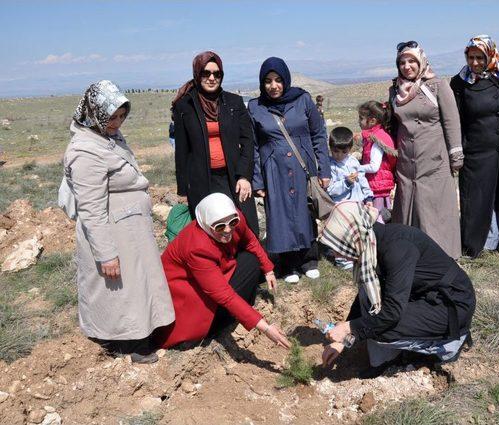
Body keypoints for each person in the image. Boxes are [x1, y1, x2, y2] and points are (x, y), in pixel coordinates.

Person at [63, 80, 175, 363]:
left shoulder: (106, 138)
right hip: (113, 233)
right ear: (95, 112)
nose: (117, 122)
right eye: (111, 116)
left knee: (134, 287)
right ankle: (128, 344)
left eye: (121, 116)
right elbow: (90, 209)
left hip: (130, 230)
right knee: (118, 291)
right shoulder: (85, 151)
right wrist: (106, 253)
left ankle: (140, 334)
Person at [318, 202, 475, 376]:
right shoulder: (372, 242)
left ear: (352, 238)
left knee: (381, 330)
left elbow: (392, 313)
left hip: (451, 304)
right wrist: (343, 340)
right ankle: (387, 358)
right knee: (370, 311)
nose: (336, 254)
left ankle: (448, 345)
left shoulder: (397, 248)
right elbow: (366, 293)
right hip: (422, 296)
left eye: (338, 247)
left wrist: (350, 328)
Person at [157, 193, 290, 350]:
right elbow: (224, 295)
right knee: (216, 311)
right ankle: (216, 325)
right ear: (206, 224)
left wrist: (268, 269)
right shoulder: (196, 246)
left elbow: (250, 240)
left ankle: (237, 312)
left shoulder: (232, 217)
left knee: (251, 261)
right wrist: (265, 328)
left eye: (232, 223)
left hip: (214, 274)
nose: (228, 230)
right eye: (219, 227)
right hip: (187, 297)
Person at [249, 57, 331, 284]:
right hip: (273, 169)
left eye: (277, 80)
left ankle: (308, 260)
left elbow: (319, 135)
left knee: (305, 211)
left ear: (285, 79)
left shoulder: (302, 99)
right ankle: (288, 265)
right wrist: (257, 181)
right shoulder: (255, 107)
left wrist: (324, 170)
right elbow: (253, 146)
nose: (273, 86)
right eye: (268, 81)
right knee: (280, 214)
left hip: (302, 166)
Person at [389, 41, 463, 259]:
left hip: (434, 160)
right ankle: (410, 253)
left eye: (412, 61)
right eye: (402, 62)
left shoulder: (437, 85)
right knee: (407, 208)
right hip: (406, 162)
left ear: (421, 61)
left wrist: (455, 154)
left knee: (435, 208)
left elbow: (451, 121)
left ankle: (442, 254)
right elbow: (394, 126)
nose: (407, 66)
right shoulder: (395, 89)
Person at [172, 51, 259, 235]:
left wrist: (244, 176)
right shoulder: (185, 106)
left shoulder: (233, 102)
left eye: (217, 74)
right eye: (206, 73)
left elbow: (248, 140)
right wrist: (183, 188)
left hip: (233, 176)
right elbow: (181, 150)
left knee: (244, 226)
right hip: (201, 180)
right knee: (212, 229)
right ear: (197, 74)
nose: (212, 78)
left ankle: (248, 263)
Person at [450, 35, 499, 258]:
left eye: (480, 57)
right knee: (474, 199)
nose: (475, 63)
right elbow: (455, 120)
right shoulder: (460, 83)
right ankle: (473, 244)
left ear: (490, 56)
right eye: (471, 57)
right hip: (475, 152)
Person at [327, 126, 374, 269]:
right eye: (336, 151)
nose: (339, 155)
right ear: (330, 148)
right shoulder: (330, 166)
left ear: (350, 149)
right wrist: (346, 182)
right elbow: (330, 189)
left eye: (344, 152)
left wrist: (369, 197)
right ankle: (342, 260)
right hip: (340, 206)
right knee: (342, 233)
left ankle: (357, 256)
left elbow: (363, 180)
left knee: (357, 232)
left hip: (357, 204)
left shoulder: (353, 162)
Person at [357, 101, 397, 224]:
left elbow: (374, 167)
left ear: (372, 121)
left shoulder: (376, 139)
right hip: (378, 185)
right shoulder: (375, 136)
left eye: (361, 118)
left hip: (376, 187)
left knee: (377, 219)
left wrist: (357, 168)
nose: (359, 121)